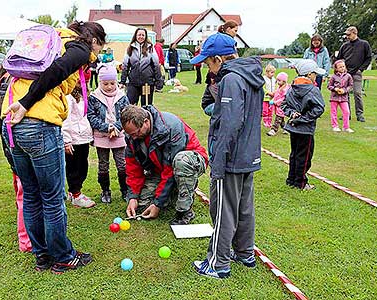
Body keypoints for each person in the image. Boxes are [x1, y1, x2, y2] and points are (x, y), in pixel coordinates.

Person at [2, 21, 106, 274]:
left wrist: (22, 105)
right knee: (52, 197)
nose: (96, 56)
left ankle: (42, 256)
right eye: (100, 48)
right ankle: (62, 257)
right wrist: (27, 103)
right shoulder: (79, 48)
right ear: (94, 40)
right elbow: (56, 71)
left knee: (32, 194)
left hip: (12, 123)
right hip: (38, 122)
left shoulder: (53, 40)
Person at [189, 32, 264, 279]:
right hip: (248, 155)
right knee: (244, 207)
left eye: (209, 62)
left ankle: (218, 263)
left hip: (231, 157)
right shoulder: (251, 75)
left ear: (219, 59)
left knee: (223, 210)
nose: (208, 68)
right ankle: (244, 252)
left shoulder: (231, 79)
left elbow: (230, 125)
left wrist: (219, 160)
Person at [121, 105, 208, 225]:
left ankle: (184, 211)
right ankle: (175, 192)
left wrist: (158, 204)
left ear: (146, 122)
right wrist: (133, 197)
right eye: (131, 134)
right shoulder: (132, 137)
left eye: (136, 133)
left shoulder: (171, 126)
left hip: (190, 161)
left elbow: (170, 169)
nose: (133, 137)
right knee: (142, 204)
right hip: (161, 170)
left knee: (181, 162)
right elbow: (133, 169)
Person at [0, 67, 32, 253]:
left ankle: (26, 234)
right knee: (26, 196)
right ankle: (26, 241)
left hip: (11, 152)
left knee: (20, 190)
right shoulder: (12, 92)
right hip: (18, 152)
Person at [87, 64, 130, 203]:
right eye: (106, 84)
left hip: (118, 135)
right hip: (102, 136)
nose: (109, 87)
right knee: (103, 164)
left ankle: (125, 190)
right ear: (100, 82)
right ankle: (105, 190)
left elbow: (127, 115)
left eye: (112, 83)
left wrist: (116, 128)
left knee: (122, 164)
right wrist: (107, 128)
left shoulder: (122, 96)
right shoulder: (94, 97)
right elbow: (91, 116)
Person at [281, 59, 325, 190]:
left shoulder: (291, 88)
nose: (316, 77)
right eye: (315, 74)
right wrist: (304, 118)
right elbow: (319, 108)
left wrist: (292, 113)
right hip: (305, 129)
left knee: (295, 154)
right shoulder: (313, 90)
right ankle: (301, 182)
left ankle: (292, 179)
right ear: (309, 74)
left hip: (294, 127)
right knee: (304, 156)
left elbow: (284, 105)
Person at [62, 80, 96, 208]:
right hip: (73, 139)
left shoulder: (84, 94)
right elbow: (66, 119)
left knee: (83, 166)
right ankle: (75, 193)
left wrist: (90, 135)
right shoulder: (68, 97)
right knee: (74, 168)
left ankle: (75, 192)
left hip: (83, 138)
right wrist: (66, 140)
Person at [337, 26, 372, 122]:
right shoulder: (344, 46)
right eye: (346, 35)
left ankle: (360, 114)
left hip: (357, 73)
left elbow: (368, 58)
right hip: (345, 74)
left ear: (355, 33)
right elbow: (339, 59)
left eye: (349, 34)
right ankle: (346, 114)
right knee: (345, 94)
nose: (347, 36)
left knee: (357, 93)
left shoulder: (364, 44)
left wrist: (361, 69)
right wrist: (341, 69)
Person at [120, 28, 163, 106]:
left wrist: (158, 81)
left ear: (145, 36)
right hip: (133, 82)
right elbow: (125, 66)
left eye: (143, 35)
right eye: (139, 35)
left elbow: (156, 65)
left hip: (147, 82)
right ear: (136, 36)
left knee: (146, 106)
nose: (141, 37)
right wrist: (122, 81)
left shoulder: (150, 48)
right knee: (131, 106)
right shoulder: (130, 48)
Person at [327, 60, 354, 133]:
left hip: (344, 98)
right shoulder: (333, 77)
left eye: (343, 66)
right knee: (333, 112)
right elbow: (329, 86)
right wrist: (335, 89)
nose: (342, 68)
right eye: (340, 67)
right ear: (336, 69)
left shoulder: (348, 76)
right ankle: (335, 126)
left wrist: (344, 90)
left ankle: (346, 127)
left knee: (346, 112)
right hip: (334, 98)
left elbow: (351, 85)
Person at [267, 72, 290, 136]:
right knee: (281, 118)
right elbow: (276, 94)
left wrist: (275, 102)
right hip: (278, 107)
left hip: (281, 106)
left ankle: (273, 130)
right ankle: (285, 128)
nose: (278, 82)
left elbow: (283, 99)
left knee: (278, 118)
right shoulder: (279, 87)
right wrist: (271, 94)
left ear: (284, 81)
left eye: (279, 80)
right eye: (277, 80)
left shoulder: (285, 89)